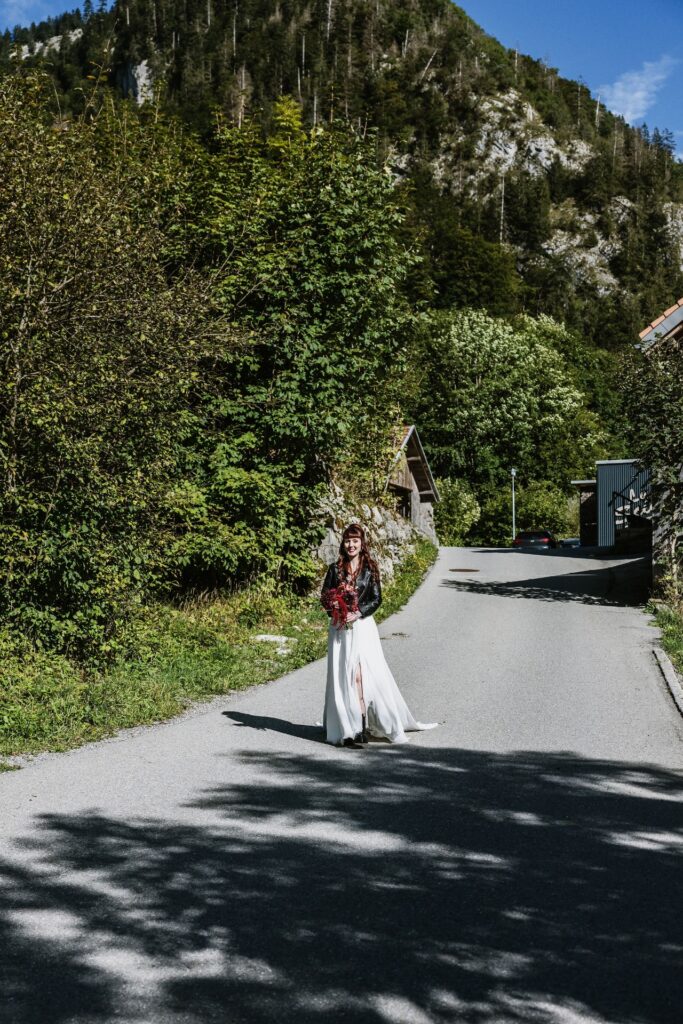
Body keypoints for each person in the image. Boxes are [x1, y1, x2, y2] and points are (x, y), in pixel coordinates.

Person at [320, 523, 437, 748]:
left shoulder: (370, 568)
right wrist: (334, 610)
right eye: (347, 540)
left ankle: (361, 725)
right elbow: (325, 596)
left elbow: (376, 598)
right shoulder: (335, 569)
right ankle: (348, 726)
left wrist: (359, 612)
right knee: (343, 676)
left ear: (362, 543)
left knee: (361, 675)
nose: (351, 544)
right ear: (343, 544)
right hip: (341, 629)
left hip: (363, 628)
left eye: (355, 540)